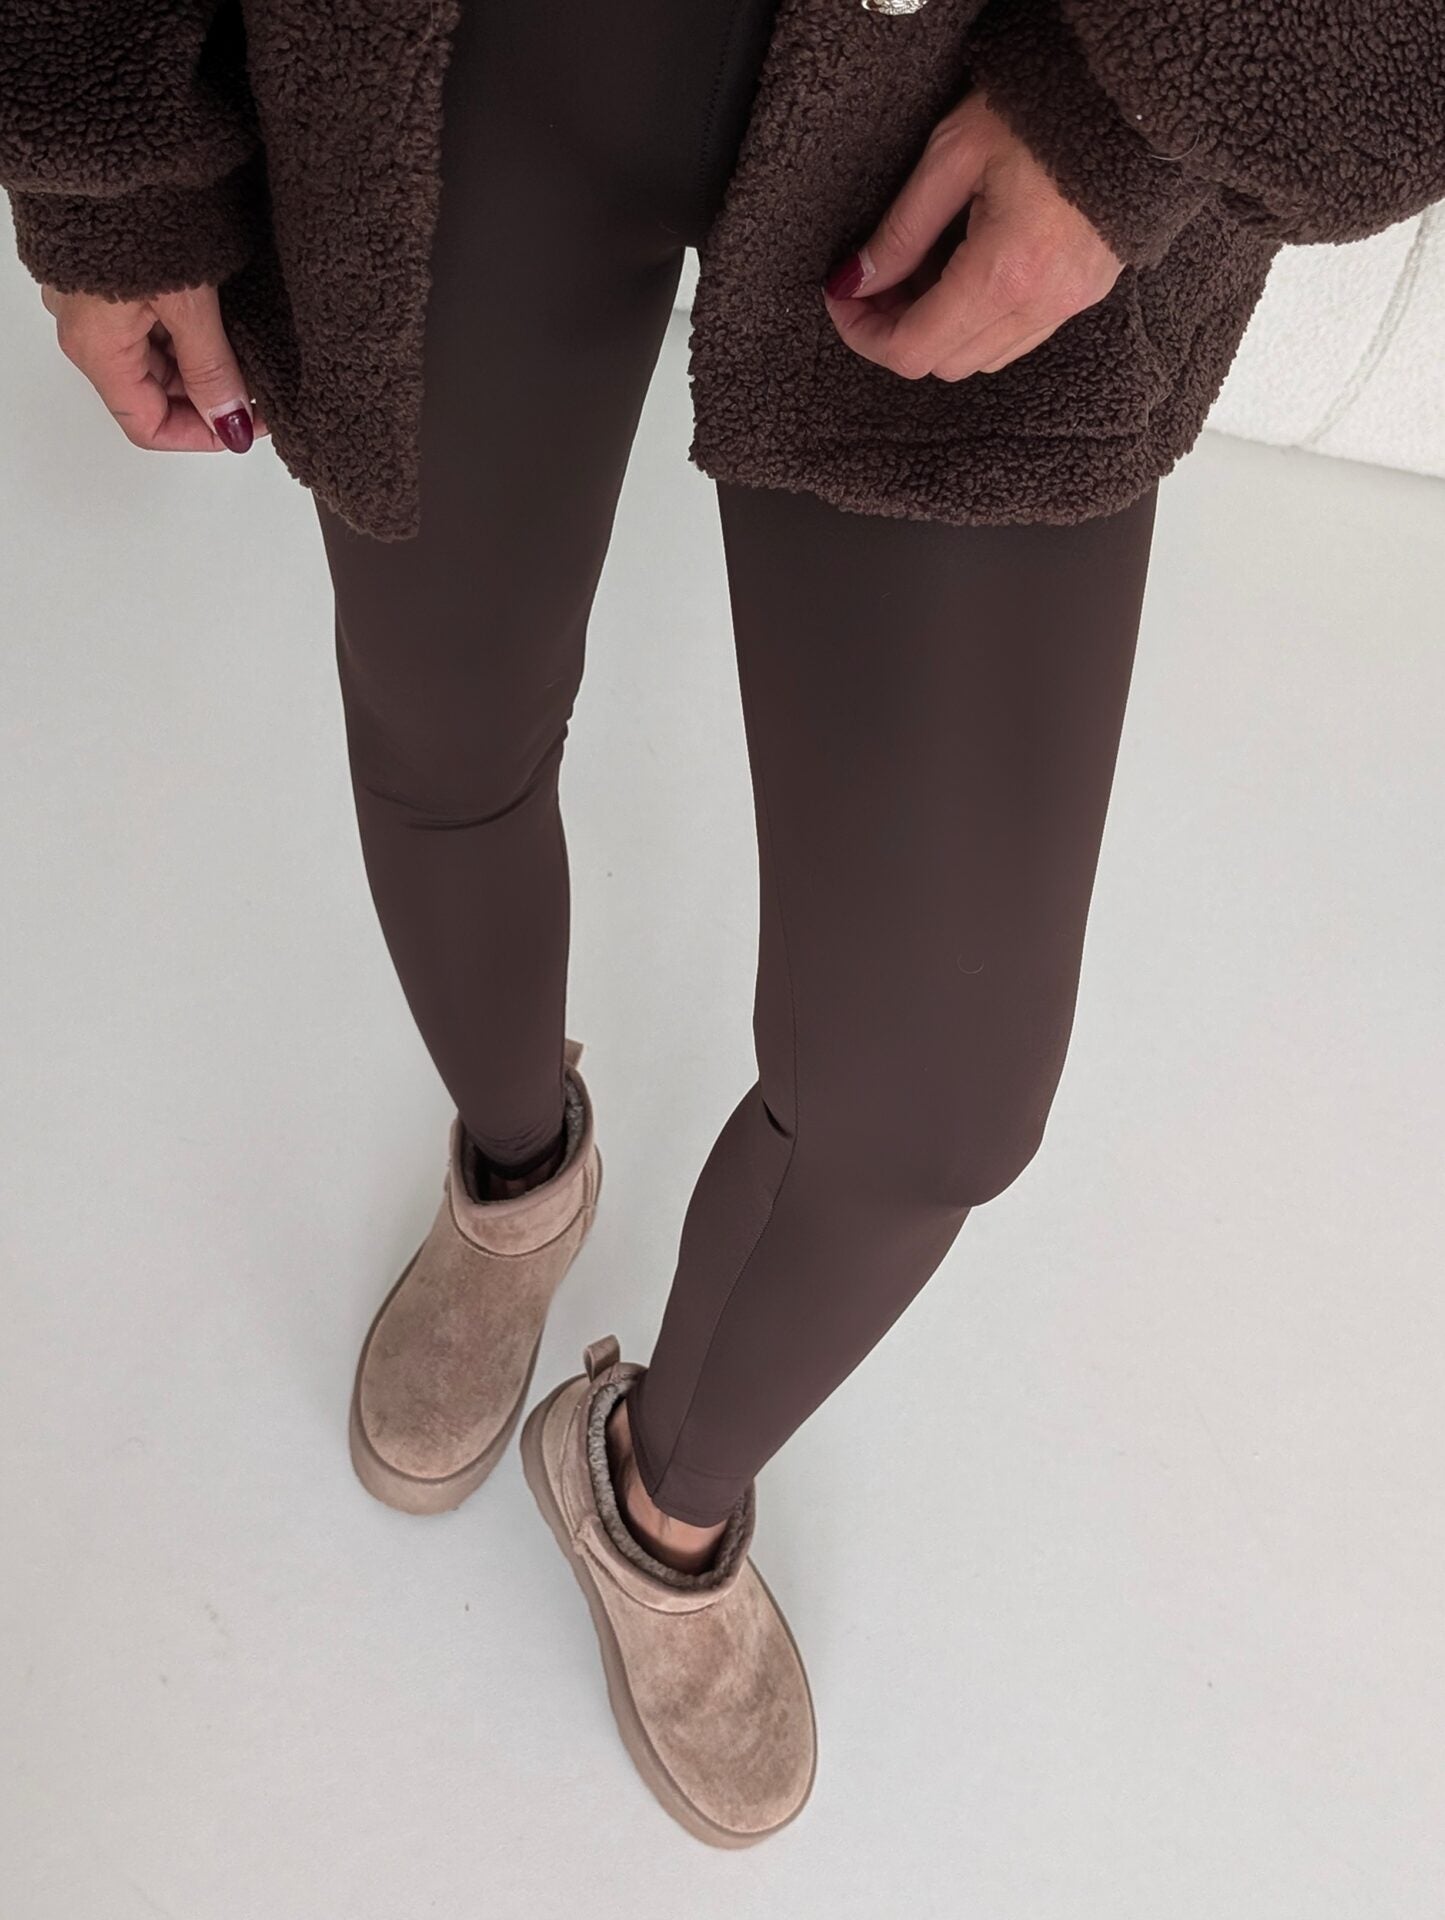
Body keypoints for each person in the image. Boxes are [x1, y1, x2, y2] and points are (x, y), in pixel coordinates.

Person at [5, 0, 1442, 1851]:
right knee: (444, 732)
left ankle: (654, 1496)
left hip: (1014, 64)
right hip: (471, 45)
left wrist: (1136, 122)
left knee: (934, 1100)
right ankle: (518, 1179)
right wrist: (104, 158)